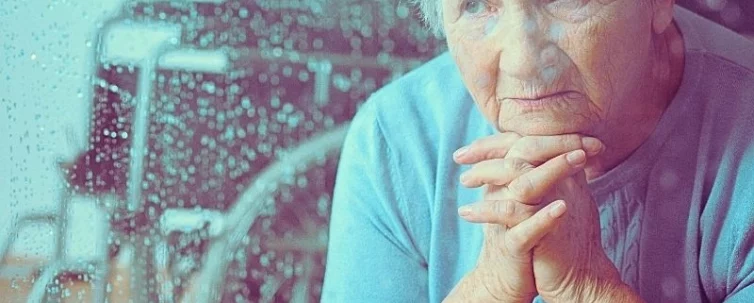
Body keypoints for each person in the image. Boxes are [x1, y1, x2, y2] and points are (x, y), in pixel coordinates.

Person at [321, 0, 754, 302]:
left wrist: (585, 289)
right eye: (475, 4)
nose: (524, 62)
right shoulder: (396, 142)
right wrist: (490, 289)